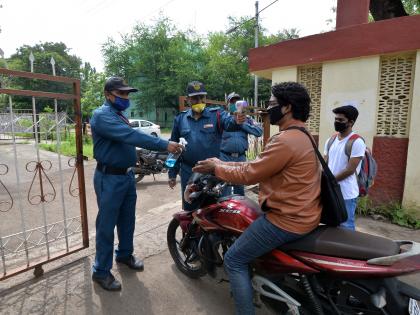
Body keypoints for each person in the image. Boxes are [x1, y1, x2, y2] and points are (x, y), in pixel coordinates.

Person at [192, 82, 322, 315]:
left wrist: (216, 168)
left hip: (286, 220)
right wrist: (220, 163)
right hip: (305, 213)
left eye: (271, 104)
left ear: (287, 108)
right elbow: (256, 165)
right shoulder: (304, 135)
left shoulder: (284, 140)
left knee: (234, 260)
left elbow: (250, 173)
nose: (266, 110)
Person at [90, 76, 183, 291]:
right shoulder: (102, 115)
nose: (125, 97)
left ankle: (124, 254)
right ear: (108, 94)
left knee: (127, 219)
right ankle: (101, 271)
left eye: (127, 94)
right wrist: (165, 144)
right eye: (121, 94)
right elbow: (131, 136)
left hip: (126, 176)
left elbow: (129, 139)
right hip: (109, 178)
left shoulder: (118, 115)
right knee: (106, 225)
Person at [168, 81, 246, 211]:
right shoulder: (180, 119)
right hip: (190, 172)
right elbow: (174, 149)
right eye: (195, 98)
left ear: (205, 97)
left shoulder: (217, 115)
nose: (199, 100)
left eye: (202, 97)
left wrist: (237, 120)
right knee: (191, 210)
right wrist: (172, 173)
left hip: (213, 173)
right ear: (188, 100)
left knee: (217, 209)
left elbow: (230, 123)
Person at [324, 103, 366, 230]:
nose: (337, 122)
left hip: (346, 194)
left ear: (351, 122)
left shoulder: (357, 141)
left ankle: (348, 250)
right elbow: (325, 164)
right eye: (336, 119)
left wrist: (329, 181)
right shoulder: (330, 140)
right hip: (331, 191)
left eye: (341, 120)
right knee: (330, 225)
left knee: (346, 227)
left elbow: (349, 170)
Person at [220, 92, 262, 196]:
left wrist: (241, 123)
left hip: (240, 158)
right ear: (228, 104)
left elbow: (259, 131)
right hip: (225, 157)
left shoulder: (247, 119)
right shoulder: (223, 119)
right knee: (224, 188)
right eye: (232, 102)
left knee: (239, 187)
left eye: (237, 102)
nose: (235, 104)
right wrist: (234, 122)